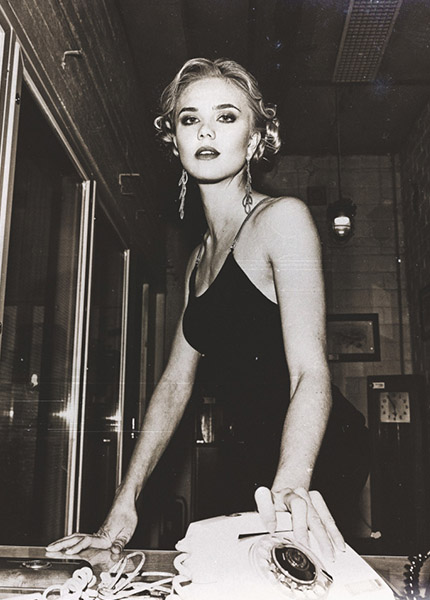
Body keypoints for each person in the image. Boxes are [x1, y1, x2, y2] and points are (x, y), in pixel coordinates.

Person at [48, 57, 368, 560]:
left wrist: (291, 484)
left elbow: (310, 371)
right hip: (251, 453)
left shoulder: (282, 220)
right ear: (174, 141)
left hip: (316, 451)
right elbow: (175, 385)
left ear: (255, 139)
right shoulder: (198, 260)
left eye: (226, 116)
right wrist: (123, 507)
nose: (206, 131)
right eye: (189, 118)